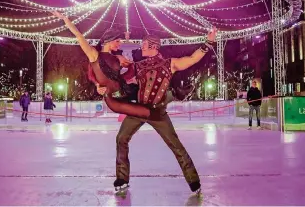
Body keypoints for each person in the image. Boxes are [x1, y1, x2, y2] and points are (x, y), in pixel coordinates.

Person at [98, 29, 216, 194]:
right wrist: (102, 86)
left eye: (144, 45)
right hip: (139, 110)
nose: (141, 47)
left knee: (175, 145)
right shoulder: (137, 66)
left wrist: (208, 42)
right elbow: (115, 78)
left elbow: (192, 59)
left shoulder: (170, 63)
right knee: (121, 138)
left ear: (153, 45)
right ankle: (122, 178)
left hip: (158, 113)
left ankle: (193, 180)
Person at [52, 11, 154, 118]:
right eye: (118, 41)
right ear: (109, 41)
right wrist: (65, 19)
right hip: (112, 99)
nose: (120, 44)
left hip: (125, 93)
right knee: (147, 113)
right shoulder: (94, 55)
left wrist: (131, 76)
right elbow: (78, 35)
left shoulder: (118, 58)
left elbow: (129, 71)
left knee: (147, 110)